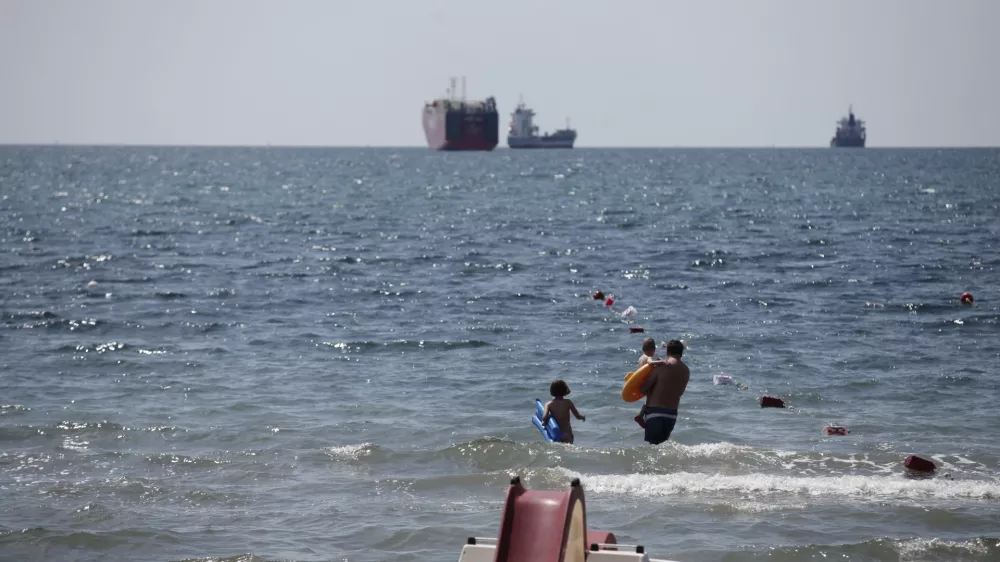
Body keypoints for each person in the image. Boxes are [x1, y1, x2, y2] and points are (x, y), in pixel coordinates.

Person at [639, 339, 690, 445]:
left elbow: (643, 389)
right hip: (672, 414)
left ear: (667, 352)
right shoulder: (686, 370)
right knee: (662, 447)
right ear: (681, 353)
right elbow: (680, 393)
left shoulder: (661, 367)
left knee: (654, 450)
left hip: (655, 413)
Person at [542, 379, 586, 444]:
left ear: (551, 390)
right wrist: (582, 417)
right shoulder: (568, 402)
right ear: (565, 390)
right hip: (567, 433)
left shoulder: (548, 404)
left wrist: (543, 422)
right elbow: (577, 416)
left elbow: (544, 417)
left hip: (557, 434)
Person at [633, 338, 658, 427]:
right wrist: (660, 362)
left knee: (648, 401)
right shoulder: (648, 357)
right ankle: (641, 416)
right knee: (650, 401)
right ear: (653, 349)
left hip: (641, 383)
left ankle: (641, 415)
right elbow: (650, 363)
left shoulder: (641, 358)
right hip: (648, 383)